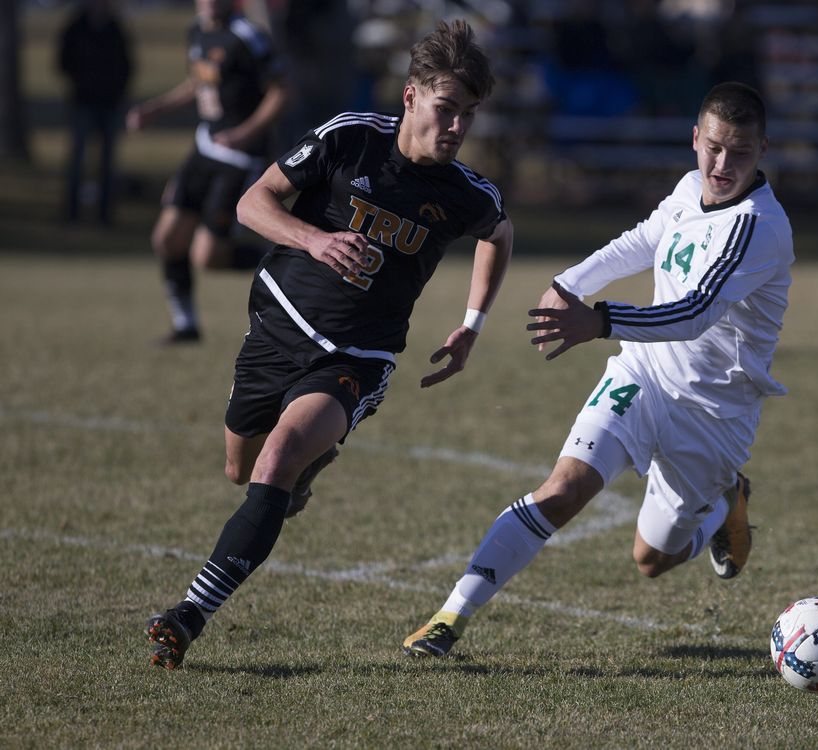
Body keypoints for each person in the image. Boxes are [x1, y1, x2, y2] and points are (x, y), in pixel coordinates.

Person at [145, 19, 513, 669]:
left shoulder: (464, 194)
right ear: (410, 98)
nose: (456, 128)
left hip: (356, 358)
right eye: (445, 110)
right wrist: (313, 240)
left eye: (469, 116)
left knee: (278, 457)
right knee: (243, 470)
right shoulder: (349, 140)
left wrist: (472, 324)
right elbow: (253, 204)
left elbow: (499, 235)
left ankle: (189, 613)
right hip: (277, 328)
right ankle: (302, 475)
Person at [404, 81, 794, 658]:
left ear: (762, 150)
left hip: (713, 413)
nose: (722, 164)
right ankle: (449, 617)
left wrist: (601, 319)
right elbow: (641, 242)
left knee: (651, 559)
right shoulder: (690, 190)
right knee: (562, 490)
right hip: (642, 376)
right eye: (713, 147)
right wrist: (570, 283)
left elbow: (694, 313)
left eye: (739, 153)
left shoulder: (760, 227)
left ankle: (723, 505)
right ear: (695, 139)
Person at [126, 0, 289, 344]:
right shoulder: (197, 30)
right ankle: (186, 325)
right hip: (204, 149)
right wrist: (155, 110)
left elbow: (280, 91)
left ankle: (288, 257)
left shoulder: (247, 36)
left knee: (208, 256)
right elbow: (197, 85)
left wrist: (245, 132)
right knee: (167, 239)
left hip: (240, 158)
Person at [57, 0, 133, 225]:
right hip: (83, 103)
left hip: (109, 105)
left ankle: (105, 215)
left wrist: (116, 91)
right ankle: (71, 213)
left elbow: (126, 65)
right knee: (77, 160)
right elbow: (63, 61)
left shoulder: (114, 28)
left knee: (107, 163)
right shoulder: (76, 27)